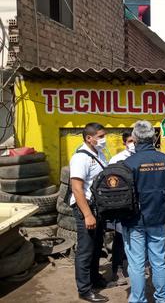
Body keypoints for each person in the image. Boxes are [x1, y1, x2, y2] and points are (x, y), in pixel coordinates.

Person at [122, 121, 165, 303]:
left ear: (134, 139)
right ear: (153, 137)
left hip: (134, 221)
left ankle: (138, 300)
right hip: (157, 217)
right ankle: (162, 299)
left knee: (136, 264)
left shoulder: (128, 163)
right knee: (158, 261)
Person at [69, 123, 109, 302]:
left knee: (96, 246)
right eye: (100, 136)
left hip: (98, 208)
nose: (103, 140)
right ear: (89, 138)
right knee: (85, 249)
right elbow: (77, 189)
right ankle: (84, 289)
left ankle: (94, 278)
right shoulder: (80, 158)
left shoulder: (98, 154)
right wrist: (87, 214)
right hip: (86, 207)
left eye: (103, 136)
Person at [105, 132, 135, 287]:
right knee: (120, 238)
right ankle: (116, 271)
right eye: (130, 141)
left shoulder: (142, 158)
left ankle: (138, 267)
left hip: (138, 205)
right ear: (124, 143)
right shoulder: (116, 159)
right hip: (121, 205)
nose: (133, 144)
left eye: (134, 141)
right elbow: (109, 183)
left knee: (137, 238)